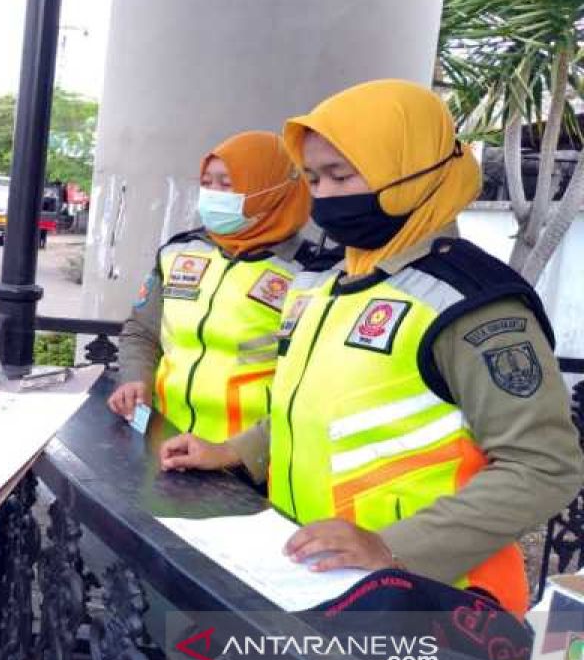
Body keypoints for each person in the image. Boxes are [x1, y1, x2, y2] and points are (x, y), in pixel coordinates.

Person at [159, 79, 584, 616]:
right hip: (319, 581)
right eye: (313, 177)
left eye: (342, 175)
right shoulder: (325, 283)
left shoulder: (472, 303)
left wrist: (394, 547)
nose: (326, 196)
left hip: (433, 604)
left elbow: (544, 467)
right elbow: (316, 413)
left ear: (411, 170)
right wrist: (235, 452)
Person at [108, 130, 317, 441]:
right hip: (163, 437)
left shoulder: (309, 273)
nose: (213, 194)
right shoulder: (179, 253)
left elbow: (313, 381)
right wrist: (134, 378)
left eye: (227, 184)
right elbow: (142, 331)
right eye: (207, 183)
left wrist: (241, 453)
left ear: (269, 190)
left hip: (249, 460)